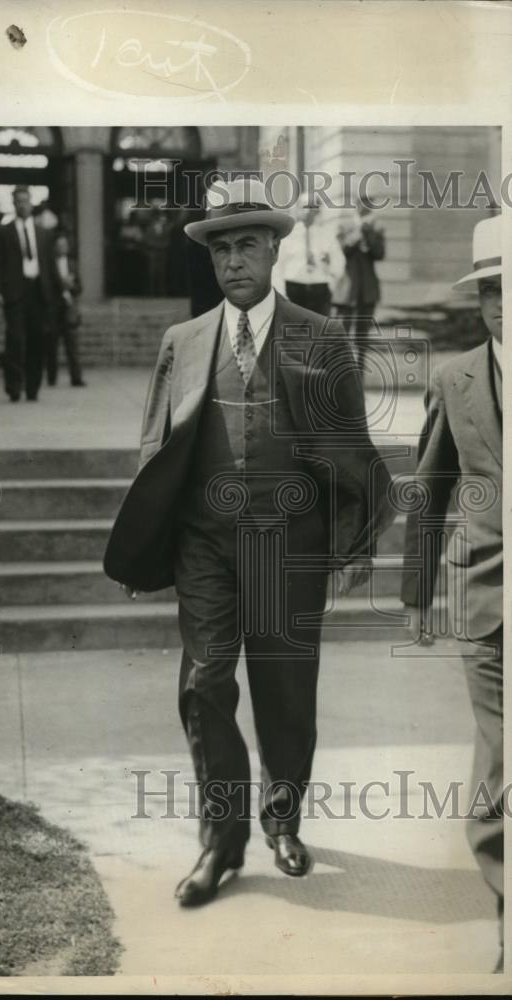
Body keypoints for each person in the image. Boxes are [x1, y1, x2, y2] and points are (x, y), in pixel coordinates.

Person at [104, 178, 394, 908]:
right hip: (203, 543)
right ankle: (221, 840)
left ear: (274, 249)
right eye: (221, 249)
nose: (234, 261)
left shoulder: (319, 337)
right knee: (204, 686)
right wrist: (146, 541)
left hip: (286, 544)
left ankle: (283, 820)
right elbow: (155, 445)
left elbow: (350, 447)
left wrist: (354, 545)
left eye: (247, 245)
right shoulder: (184, 341)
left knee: (285, 694)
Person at [400, 214, 503, 973]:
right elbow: (429, 492)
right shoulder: (456, 376)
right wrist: (415, 591)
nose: (501, 303)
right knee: (503, 752)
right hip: (487, 600)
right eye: (489, 290)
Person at [0, 186, 54, 402]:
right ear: (13, 203)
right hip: (15, 292)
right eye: (19, 201)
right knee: (15, 339)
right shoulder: (3, 231)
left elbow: (49, 264)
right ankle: (14, 386)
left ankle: (33, 387)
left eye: (26, 200)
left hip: (38, 291)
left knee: (38, 340)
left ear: (31, 203)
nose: (23, 204)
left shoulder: (43, 233)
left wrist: (52, 293)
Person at [333, 194, 386, 372]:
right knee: (342, 335)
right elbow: (344, 249)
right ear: (356, 207)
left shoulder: (375, 229)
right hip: (347, 291)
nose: (367, 210)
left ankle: (359, 375)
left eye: (369, 207)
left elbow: (380, 254)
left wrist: (369, 233)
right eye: (363, 206)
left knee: (362, 338)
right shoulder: (344, 227)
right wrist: (359, 231)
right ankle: (340, 373)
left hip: (367, 290)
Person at [276, 193, 343, 316]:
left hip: (320, 291)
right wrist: (281, 295)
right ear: (298, 210)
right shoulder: (288, 235)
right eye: (304, 207)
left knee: (319, 332)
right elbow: (277, 266)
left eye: (312, 208)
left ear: (318, 210)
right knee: (295, 332)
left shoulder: (327, 236)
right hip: (293, 290)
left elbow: (339, 265)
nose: (308, 212)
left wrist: (330, 280)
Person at [47, 231, 85, 387]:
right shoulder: (49, 264)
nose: (62, 248)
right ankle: (52, 377)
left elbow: (80, 287)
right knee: (52, 346)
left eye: (65, 245)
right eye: (59, 245)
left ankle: (76, 377)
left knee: (73, 345)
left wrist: (71, 286)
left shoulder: (73, 264)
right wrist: (60, 285)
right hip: (55, 308)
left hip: (69, 309)